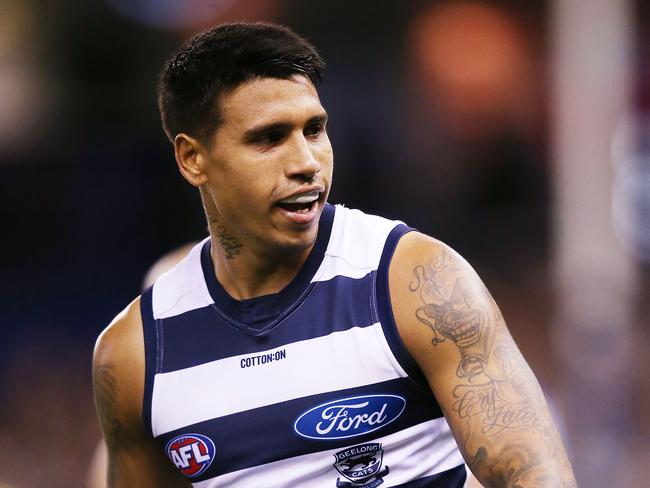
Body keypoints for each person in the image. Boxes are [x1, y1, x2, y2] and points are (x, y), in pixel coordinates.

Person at [92, 22, 576, 487]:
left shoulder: (414, 282)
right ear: (192, 158)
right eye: (268, 138)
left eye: (314, 130)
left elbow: (536, 476)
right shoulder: (135, 355)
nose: (306, 162)